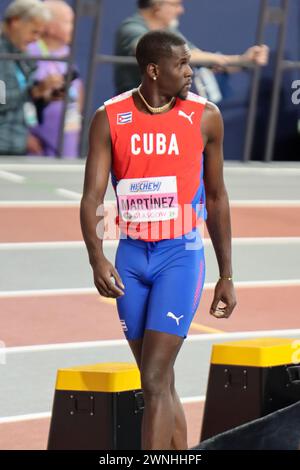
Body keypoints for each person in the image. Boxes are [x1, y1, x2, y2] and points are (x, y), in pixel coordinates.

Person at [80, 30, 237, 450]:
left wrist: (227, 274)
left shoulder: (205, 116)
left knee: (152, 378)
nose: (190, 72)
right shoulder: (109, 117)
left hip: (180, 257)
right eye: (182, 64)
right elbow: (92, 196)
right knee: (159, 380)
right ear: (154, 70)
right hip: (130, 256)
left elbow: (218, 197)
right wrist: (97, 258)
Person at [114, 0, 269, 95]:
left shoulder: (170, 32)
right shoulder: (131, 27)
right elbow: (152, 49)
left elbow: (203, 60)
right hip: (137, 116)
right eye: (176, 4)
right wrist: (221, 59)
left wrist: (243, 61)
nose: (181, 10)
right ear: (157, 6)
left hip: (169, 116)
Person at [0, 0, 64, 155]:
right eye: (34, 32)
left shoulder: (24, 56)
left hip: (16, 146)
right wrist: (31, 92)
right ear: (15, 22)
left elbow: (26, 99)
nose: (36, 39)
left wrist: (43, 93)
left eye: (40, 34)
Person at [27, 0, 83, 158]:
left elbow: (78, 88)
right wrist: (24, 135)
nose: (73, 28)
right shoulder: (30, 51)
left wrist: (77, 120)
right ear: (50, 26)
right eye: (68, 22)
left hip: (66, 141)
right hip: (37, 143)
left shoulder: (67, 53)